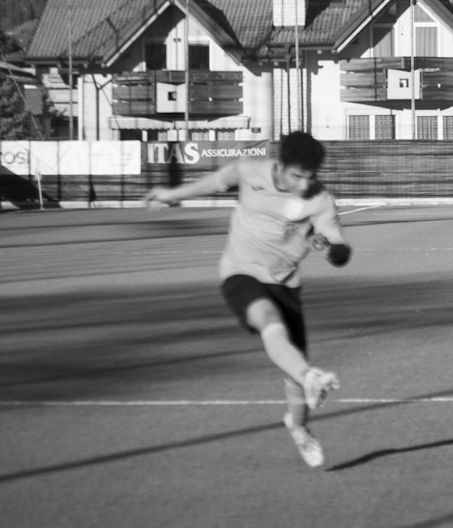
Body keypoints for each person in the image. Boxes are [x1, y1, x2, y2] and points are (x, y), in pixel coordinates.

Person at [143, 130, 351, 468]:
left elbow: (339, 248)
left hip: (285, 284)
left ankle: (298, 426)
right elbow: (212, 183)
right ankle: (312, 376)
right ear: (280, 165)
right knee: (269, 321)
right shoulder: (249, 169)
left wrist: (330, 249)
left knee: (292, 374)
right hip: (241, 272)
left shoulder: (320, 199)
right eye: (296, 176)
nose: (303, 184)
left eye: (309, 178)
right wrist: (170, 195)